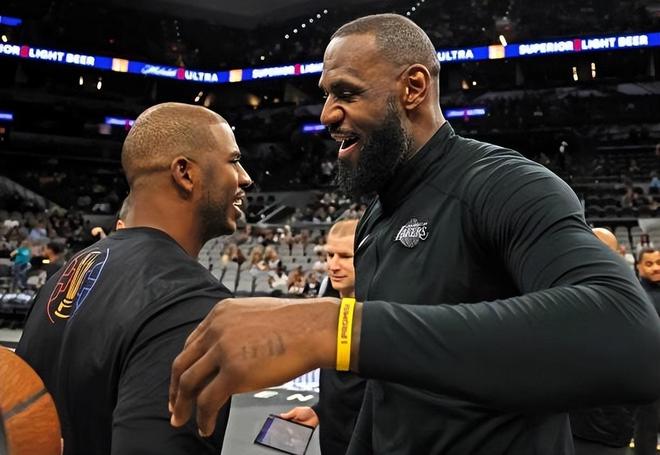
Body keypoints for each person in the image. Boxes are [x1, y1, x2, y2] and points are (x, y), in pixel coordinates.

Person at [169, 14, 660, 455]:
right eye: (326, 95)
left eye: (346, 93)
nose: (326, 114)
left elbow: (628, 336)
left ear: (413, 88)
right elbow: (386, 393)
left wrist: (333, 327)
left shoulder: (505, 184)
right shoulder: (376, 218)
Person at [16, 102, 252, 455]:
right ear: (185, 173)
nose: (245, 177)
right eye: (233, 161)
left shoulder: (68, 272)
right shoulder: (190, 299)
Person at [281, 219, 365, 455]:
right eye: (329, 255)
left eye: (345, 256)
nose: (333, 265)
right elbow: (346, 384)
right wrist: (319, 411)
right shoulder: (330, 303)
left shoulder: (382, 315)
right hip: (332, 441)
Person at [569, 227, 635, 455]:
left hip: (609, 427)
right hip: (567, 421)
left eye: (601, 249)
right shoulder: (560, 292)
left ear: (619, 255)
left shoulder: (631, 300)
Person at [633, 248, 660, 455]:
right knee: (647, 427)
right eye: (649, 264)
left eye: (659, 263)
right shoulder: (635, 294)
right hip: (649, 371)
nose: (656, 268)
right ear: (638, 267)